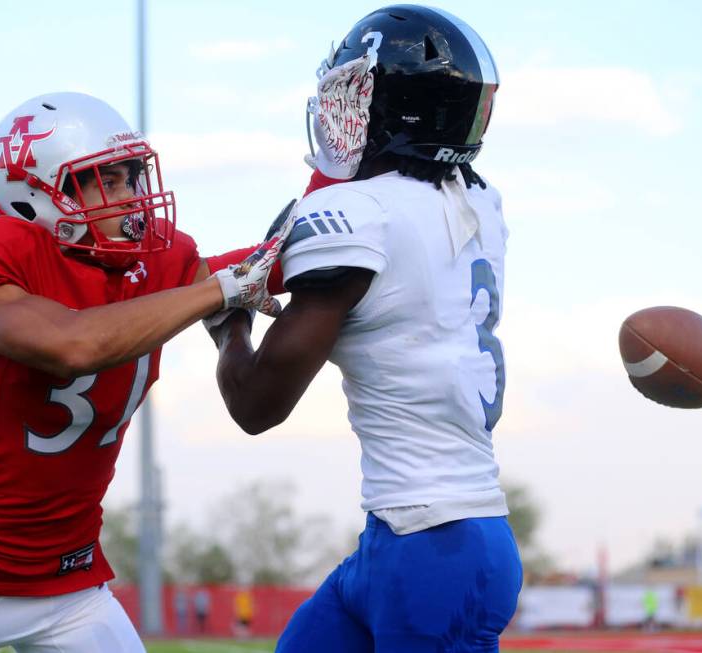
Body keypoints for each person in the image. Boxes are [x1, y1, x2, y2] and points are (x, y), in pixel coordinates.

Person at [0, 91, 292, 653]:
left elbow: (271, 263)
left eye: (134, 175)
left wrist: (347, 211)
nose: (136, 197)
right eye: (112, 179)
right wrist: (221, 290)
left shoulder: (154, 265)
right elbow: (72, 345)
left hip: (70, 585)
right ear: (39, 194)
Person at [207, 6, 522, 652]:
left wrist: (229, 321)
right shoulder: (478, 204)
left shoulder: (358, 215)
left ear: (395, 109)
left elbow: (256, 404)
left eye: (355, 94)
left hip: (434, 548)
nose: (340, 114)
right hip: (408, 534)